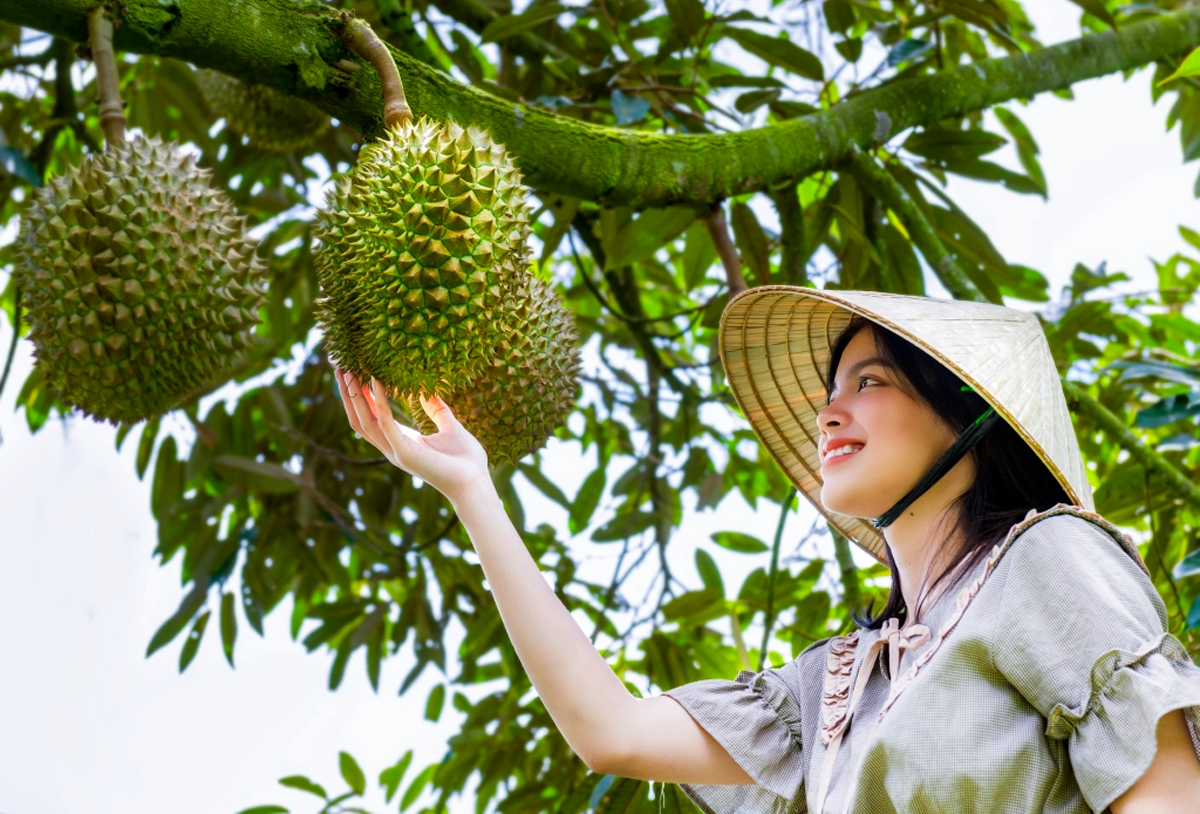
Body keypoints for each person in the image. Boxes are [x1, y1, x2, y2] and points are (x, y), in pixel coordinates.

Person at [335, 287, 1200, 813]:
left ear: (969, 421)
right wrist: (473, 491)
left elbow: (1165, 792)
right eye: (831, 390)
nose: (830, 411)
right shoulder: (839, 685)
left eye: (871, 383)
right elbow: (614, 732)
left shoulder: (1045, 559)